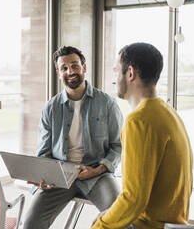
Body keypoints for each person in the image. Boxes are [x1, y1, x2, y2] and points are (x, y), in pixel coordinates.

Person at [92, 42, 193, 229]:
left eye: (116, 71)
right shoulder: (169, 114)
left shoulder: (139, 120)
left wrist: (99, 226)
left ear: (130, 73)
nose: (114, 79)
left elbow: (133, 199)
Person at [23, 46, 124, 229]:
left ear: (84, 67)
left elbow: (118, 145)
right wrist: (43, 176)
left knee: (120, 218)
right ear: (58, 72)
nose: (70, 72)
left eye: (75, 66)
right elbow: (44, 151)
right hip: (59, 177)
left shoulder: (107, 103)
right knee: (30, 224)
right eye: (64, 68)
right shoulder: (51, 107)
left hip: (97, 174)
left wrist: (100, 169)